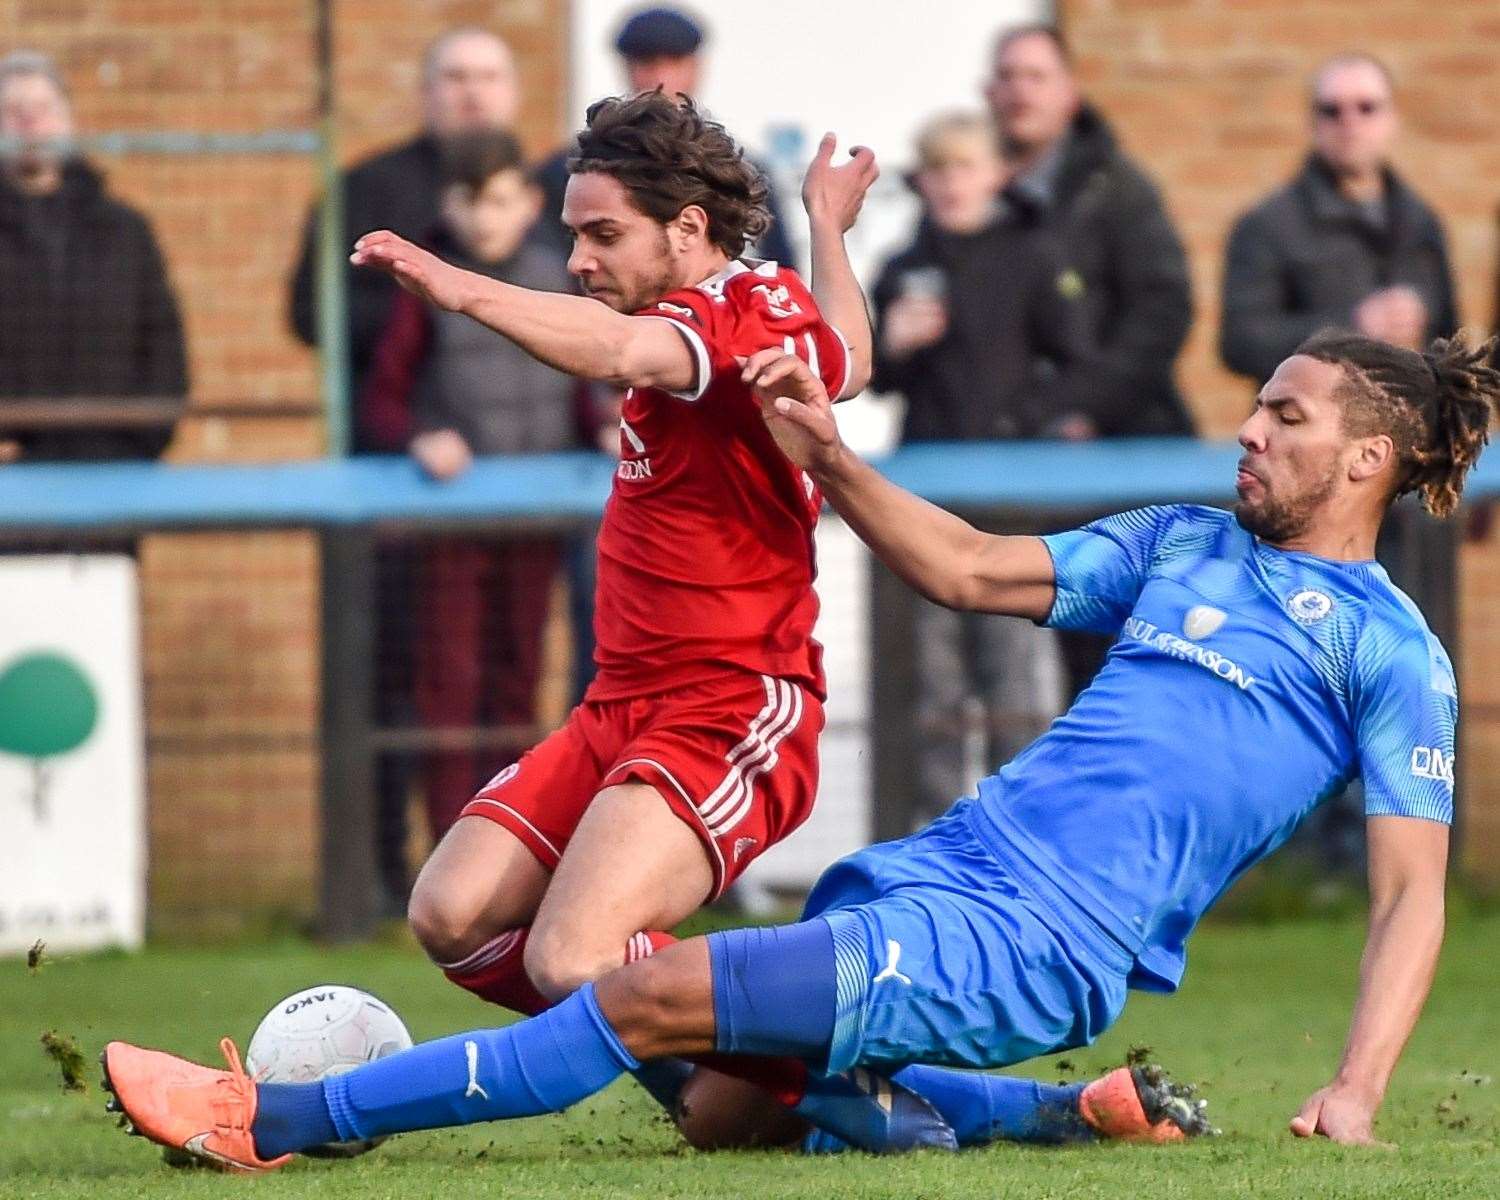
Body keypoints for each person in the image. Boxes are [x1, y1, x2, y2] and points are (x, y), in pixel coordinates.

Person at [103, 325, 1493, 1167]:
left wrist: (1358, 1092)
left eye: (1285, 418)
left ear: (1367, 460)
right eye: (1256, 404)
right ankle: (1064, 1117)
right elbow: (959, 563)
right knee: (726, 1110)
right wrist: (828, 460)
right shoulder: (1180, 542)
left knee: (636, 999)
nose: (1248, 429)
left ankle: (275, 1124)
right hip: (951, 861)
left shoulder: (1389, 653)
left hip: (1041, 946)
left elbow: (1410, 893)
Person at [358, 130, 582, 838]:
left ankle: (511, 845)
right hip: (451, 524)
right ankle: (454, 845)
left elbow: (581, 386)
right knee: (448, 685)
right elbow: (382, 400)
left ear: (530, 204)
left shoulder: (557, 278)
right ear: (447, 205)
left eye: (501, 200)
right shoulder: (423, 289)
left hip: (537, 521)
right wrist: (420, 438)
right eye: (470, 201)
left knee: (519, 682)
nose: (486, 217)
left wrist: (603, 425)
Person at [870, 110, 1082, 823]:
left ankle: (1015, 832)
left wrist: (1034, 424)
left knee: (1012, 679)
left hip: (1010, 500)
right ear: (921, 182)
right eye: (939, 170)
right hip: (922, 496)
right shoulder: (904, 265)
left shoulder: (1033, 255)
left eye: (965, 167)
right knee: (929, 685)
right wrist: (891, 343)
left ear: (995, 174)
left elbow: (1076, 358)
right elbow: (869, 378)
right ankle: (928, 838)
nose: (953, 184)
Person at [288, 27, 521, 418]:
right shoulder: (363, 189)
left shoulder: (551, 188)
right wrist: (428, 316)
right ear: (426, 92)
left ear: (514, 93)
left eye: (489, 77)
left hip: (542, 446)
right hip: (400, 438)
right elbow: (312, 313)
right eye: (456, 77)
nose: (473, 94)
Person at [984, 24, 1192, 439]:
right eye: (1008, 76)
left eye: (1036, 77)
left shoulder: (1118, 191)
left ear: (1070, 93)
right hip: (996, 443)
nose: (1020, 91)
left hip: (1118, 443)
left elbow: (1161, 311)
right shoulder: (968, 195)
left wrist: (1089, 410)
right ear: (989, 92)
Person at [1221, 54, 1459, 387]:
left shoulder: (1420, 220)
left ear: (1393, 119)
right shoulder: (1267, 225)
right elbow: (1241, 344)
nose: (1350, 123)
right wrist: (1352, 329)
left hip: (1408, 425)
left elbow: (1450, 339)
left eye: (1367, 108)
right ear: (1312, 123)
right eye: (1331, 111)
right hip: (1307, 428)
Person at [0, 51, 186, 463]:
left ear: (68, 120)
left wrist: (144, 442)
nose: (30, 123)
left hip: (112, 469)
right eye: (13, 111)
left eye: (42, 109)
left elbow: (161, 341)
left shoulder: (123, 230)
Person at [532, 6, 796, 268]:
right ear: (626, 68)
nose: (660, 78)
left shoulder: (742, 172)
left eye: (674, 63)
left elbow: (778, 269)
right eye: (647, 64)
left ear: (696, 68)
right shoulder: (573, 170)